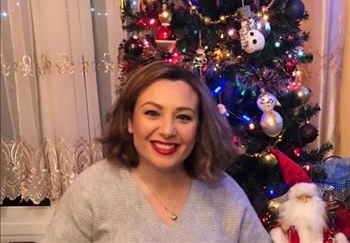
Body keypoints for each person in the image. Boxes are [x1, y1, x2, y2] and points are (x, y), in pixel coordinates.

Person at [42, 61, 271, 243]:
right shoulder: (92, 191)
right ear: (130, 121)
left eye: (183, 117)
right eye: (152, 113)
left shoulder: (225, 192)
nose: (167, 130)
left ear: (199, 127)